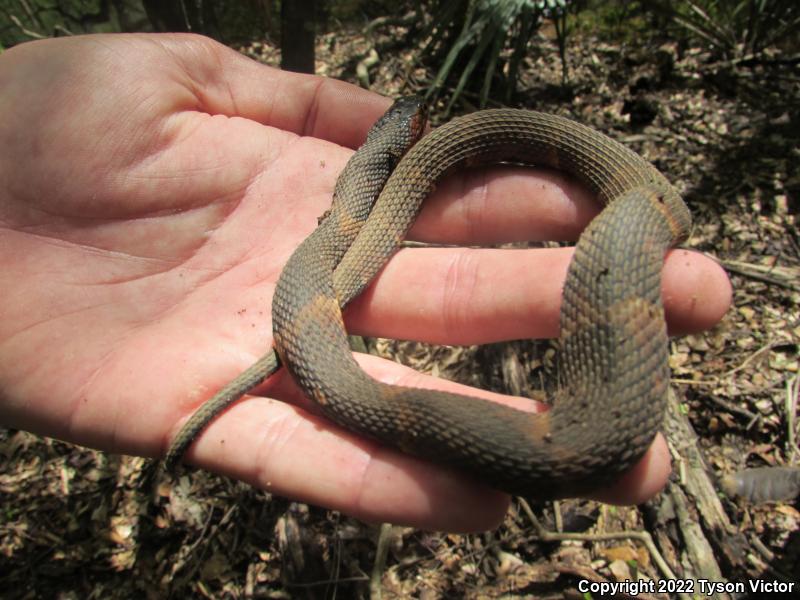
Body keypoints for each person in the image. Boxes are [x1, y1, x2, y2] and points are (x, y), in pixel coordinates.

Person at [0, 33, 731, 532]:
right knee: (641, 213)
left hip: (604, 312)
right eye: (416, 125)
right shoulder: (355, 207)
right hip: (376, 229)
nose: (420, 122)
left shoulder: (356, 204)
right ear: (399, 145)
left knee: (642, 214)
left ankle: (642, 210)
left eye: (419, 124)